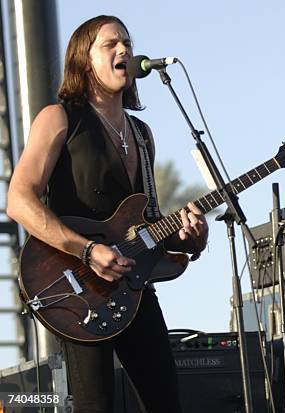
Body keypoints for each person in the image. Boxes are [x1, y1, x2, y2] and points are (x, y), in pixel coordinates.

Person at [7, 15, 208, 412]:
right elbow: (19, 200)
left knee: (165, 400)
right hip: (77, 284)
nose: (125, 51)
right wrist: (86, 252)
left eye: (128, 44)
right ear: (85, 61)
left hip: (132, 285)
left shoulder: (141, 133)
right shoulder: (59, 118)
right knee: (95, 403)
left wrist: (187, 238)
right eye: (111, 44)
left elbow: (144, 219)